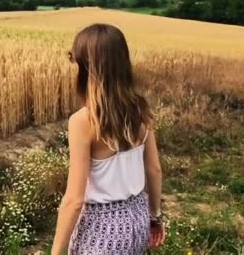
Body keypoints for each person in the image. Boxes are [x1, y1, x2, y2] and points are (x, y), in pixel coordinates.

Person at [51, 24, 165, 255]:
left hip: (102, 228)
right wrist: (155, 217)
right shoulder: (139, 109)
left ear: (86, 68)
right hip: (137, 217)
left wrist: (55, 252)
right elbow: (154, 169)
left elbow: (74, 200)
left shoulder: (83, 121)